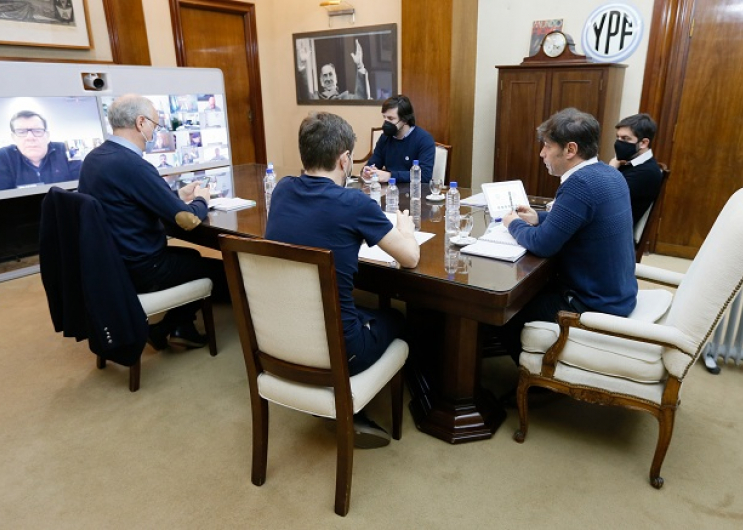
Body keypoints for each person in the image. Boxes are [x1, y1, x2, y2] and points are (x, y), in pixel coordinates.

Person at [265, 111, 420, 448]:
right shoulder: (353, 202)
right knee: (397, 318)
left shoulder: (281, 190)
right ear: (344, 159)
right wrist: (405, 230)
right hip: (340, 351)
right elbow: (410, 259)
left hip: (280, 336)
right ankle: (359, 406)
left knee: (357, 310)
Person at [77, 94, 229, 351]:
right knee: (218, 269)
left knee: (189, 256)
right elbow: (188, 220)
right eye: (155, 126)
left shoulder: (95, 158)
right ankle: (167, 328)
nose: (155, 133)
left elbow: (131, 201)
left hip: (112, 263)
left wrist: (178, 197)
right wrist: (201, 199)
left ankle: (180, 327)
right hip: (143, 268)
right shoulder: (132, 164)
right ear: (140, 123)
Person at [489, 108, 637, 361]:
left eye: (547, 146)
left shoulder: (579, 184)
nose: (542, 154)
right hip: (618, 291)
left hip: (592, 303)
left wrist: (513, 223)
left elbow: (542, 244)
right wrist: (539, 218)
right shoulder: (608, 173)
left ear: (570, 150)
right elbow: (584, 222)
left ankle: (537, 379)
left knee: (503, 310)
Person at [361, 95, 435, 184]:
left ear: (405, 120)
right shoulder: (384, 138)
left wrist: (390, 176)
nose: (386, 122)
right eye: (384, 117)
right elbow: (373, 163)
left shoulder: (424, 139)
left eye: (390, 118)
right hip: (389, 191)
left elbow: (425, 176)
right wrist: (367, 171)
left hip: (414, 193)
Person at [0, 110, 82, 190]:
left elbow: (82, 188)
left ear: (47, 136)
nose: (30, 137)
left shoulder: (64, 151)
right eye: (21, 132)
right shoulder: (4, 157)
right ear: (14, 137)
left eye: (37, 131)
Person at [609, 113, 664, 227]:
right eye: (618, 137)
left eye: (625, 138)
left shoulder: (647, 173)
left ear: (643, 143)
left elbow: (602, 196)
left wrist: (611, 168)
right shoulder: (630, 162)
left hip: (613, 234)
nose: (619, 143)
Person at [297, 39, 370, 100]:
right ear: (321, 81)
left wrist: (360, 65)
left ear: (336, 78)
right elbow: (304, 96)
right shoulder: (316, 98)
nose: (328, 79)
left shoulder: (345, 97)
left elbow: (361, 98)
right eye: (325, 76)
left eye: (330, 74)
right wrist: (302, 65)